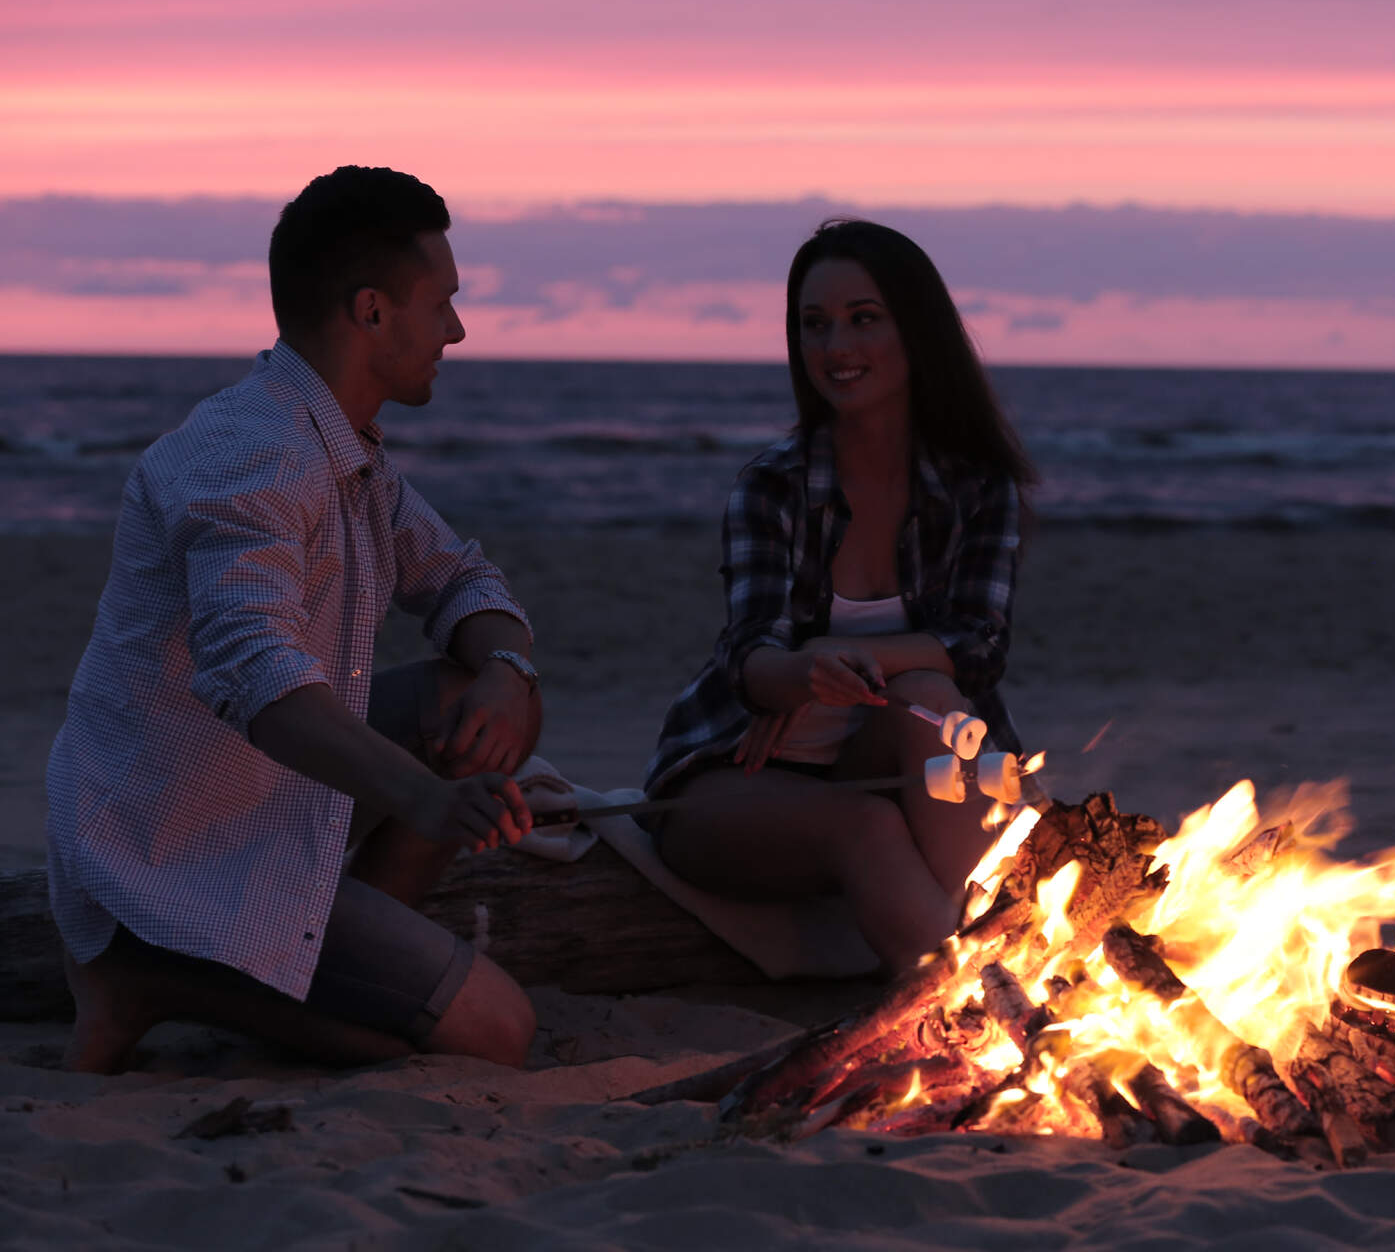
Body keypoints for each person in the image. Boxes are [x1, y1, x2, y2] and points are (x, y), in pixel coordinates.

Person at [45, 166, 544, 1074]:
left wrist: (511, 670)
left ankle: (342, 943)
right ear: (371, 312)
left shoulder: (348, 451)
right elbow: (260, 682)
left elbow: (462, 578)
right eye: (442, 305)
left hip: (268, 807)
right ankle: (150, 977)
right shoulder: (252, 457)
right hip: (169, 852)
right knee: (497, 1036)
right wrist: (429, 799)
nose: (458, 330)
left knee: (466, 692)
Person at [643, 219, 1036, 974]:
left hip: (883, 763)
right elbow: (749, 657)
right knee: (868, 827)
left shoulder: (976, 487)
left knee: (930, 697)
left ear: (915, 331)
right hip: (740, 780)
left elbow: (980, 647)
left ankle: (987, 949)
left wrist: (833, 651)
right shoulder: (774, 485)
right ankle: (977, 998)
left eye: (863, 320)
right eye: (815, 326)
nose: (835, 348)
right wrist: (795, 672)